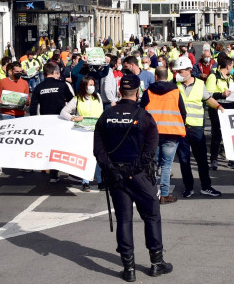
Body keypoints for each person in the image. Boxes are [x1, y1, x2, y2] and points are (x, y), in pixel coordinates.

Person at [93, 74, 172, 281]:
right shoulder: (144, 117)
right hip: (138, 176)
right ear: (138, 92)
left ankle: (129, 270)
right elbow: (150, 152)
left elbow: (98, 150)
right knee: (152, 215)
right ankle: (156, 263)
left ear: (120, 91)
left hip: (116, 176)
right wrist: (131, 170)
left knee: (124, 220)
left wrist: (111, 169)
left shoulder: (106, 116)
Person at [173, 57, 223, 197]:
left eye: (180, 71)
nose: (178, 73)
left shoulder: (200, 84)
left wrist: (219, 107)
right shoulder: (174, 84)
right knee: (184, 161)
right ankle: (188, 188)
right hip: (180, 128)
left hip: (196, 129)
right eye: (177, 71)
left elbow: (208, 99)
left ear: (189, 71)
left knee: (201, 160)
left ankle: (206, 186)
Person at [140, 67, 186, 203]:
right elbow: (183, 112)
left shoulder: (148, 92)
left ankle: (151, 193)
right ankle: (164, 194)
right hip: (171, 132)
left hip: (152, 133)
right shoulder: (176, 92)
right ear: (168, 76)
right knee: (166, 165)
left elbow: (142, 112)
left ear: (155, 77)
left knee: (152, 165)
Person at [30, 62, 74, 184]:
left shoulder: (38, 87)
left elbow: (33, 107)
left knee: (49, 147)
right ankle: (61, 171)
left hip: (45, 122)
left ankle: (52, 174)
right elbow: (72, 101)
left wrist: (35, 121)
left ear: (44, 74)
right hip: (61, 120)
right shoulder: (62, 85)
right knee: (61, 146)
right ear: (54, 73)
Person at [60, 76, 104, 192]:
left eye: (93, 84)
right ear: (84, 86)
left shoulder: (98, 97)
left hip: (97, 131)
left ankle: (100, 181)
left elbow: (102, 112)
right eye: (89, 84)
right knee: (87, 156)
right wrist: (73, 118)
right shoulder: (77, 98)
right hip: (83, 131)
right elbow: (63, 112)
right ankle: (85, 182)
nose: (92, 86)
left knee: (99, 156)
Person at [0, 62, 30, 176]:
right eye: (17, 72)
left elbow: (27, 99)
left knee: (19, 141)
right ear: (10, 71)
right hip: (6, 114)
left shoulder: (24, 83)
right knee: (4, 140)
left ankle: (21, 165)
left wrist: (28, 101)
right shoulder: (3, 82)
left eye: (20, 71)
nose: (19, 73)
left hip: (19, 115)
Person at [205, 55, 234, 169]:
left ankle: (231, 159)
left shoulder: (230, 77)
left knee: (230, 135)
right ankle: (214, 159)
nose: (233, 68)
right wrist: (221, 94)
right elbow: (208, 95)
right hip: (217, 108)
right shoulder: (213, 76)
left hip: (230, 108)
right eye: (232, 66)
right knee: (217, 134)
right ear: (227, 66)